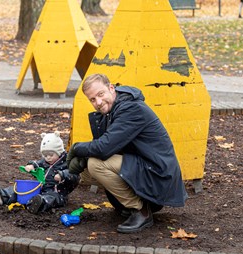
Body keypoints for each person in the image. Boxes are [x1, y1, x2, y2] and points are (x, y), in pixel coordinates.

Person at [67, 74, 187, 233]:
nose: (98, 102)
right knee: (87, 171)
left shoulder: (131, 109)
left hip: (158, 175)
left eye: (100, 94)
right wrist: (83, 159)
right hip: (144, 167)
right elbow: (108, 145)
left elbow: (103, 148)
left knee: (96, 165)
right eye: (92, 99)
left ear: (111, 88)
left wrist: (76, 148)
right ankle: (135, 203)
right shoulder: (111, 110)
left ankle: (141, 210)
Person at [0, 131, 80, 214]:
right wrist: (32, 166)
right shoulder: (45, 162)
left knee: (50, 199)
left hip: (57, 192)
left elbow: (74, 174)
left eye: (51, 155)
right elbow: (38, 163)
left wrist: (62, 175)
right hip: (40, 188)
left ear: (59, 152)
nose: (48, 158)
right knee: (22, 189)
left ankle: (38, 204)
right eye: (45, 155)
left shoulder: (67, 162)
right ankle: (4, 195)